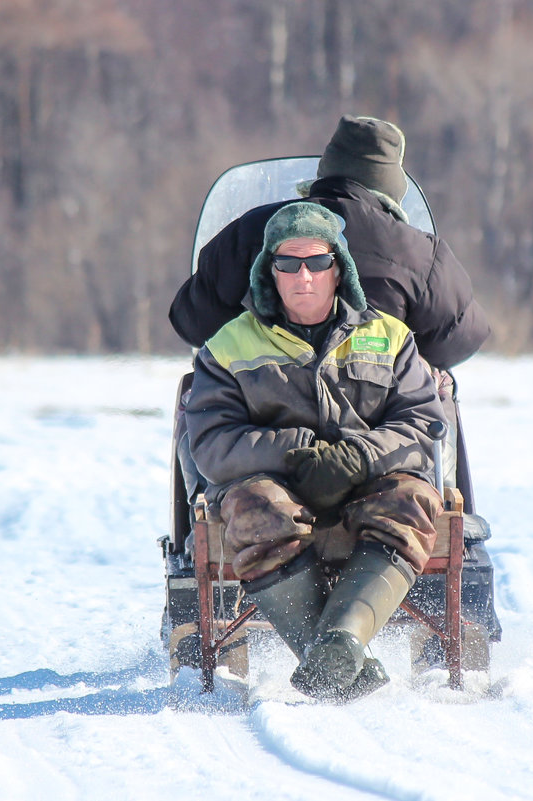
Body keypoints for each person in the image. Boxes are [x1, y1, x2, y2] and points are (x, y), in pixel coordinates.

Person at [184, 202, 445, 701]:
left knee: (412, 500)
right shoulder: (227, 346)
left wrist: (359, 458)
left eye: (318, 262)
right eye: (288, 263)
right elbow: (212, 444)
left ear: (338, 268)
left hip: (369, 483)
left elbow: (422, 423)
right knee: (255, 507)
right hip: (276, 488)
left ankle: (342, 640)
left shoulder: (390, 336)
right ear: (270, 272)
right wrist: (294, 453)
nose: (304, 276)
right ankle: (335, 660)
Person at [170, 115, 490, 371]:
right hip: (381, 434)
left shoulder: (250, 230)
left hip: (262, 424)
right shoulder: (422, 254)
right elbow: (461, 338)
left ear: (324, 172)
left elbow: (193, 323)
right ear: (392, 189)